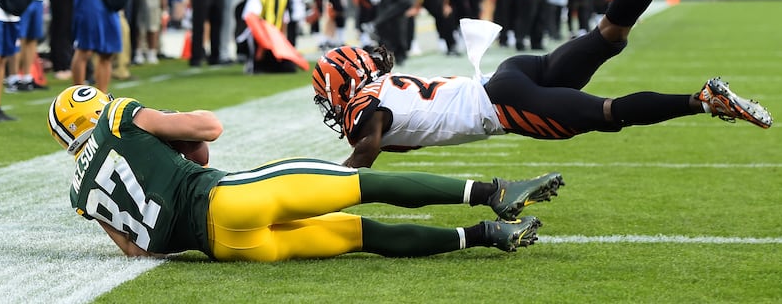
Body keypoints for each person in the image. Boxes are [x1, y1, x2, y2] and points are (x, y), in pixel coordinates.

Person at [312, 0, 774, 168]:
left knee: (607, 113)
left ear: (344, 83)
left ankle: (702, 100)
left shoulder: (363, 106)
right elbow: (405, 137)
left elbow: (362, 158)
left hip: (505, 103)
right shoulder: (386, 90)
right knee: (607, 36)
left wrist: (311, 181)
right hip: (509, 74)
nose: (328, 101)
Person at [46, 84, 565, 260]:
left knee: (364, 238)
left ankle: (487, 236)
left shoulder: (79, 192)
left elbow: (142, 250)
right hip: (230, 198)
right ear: (95, 110)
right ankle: (494, 193)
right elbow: (209, 130)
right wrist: (172, 133)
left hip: (228, 248)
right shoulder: (118, 117)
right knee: (365, 186)